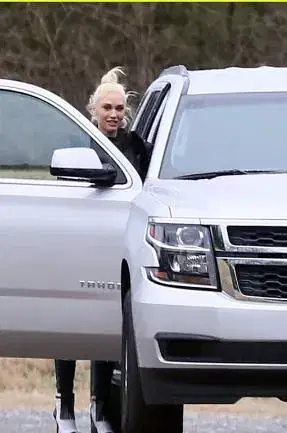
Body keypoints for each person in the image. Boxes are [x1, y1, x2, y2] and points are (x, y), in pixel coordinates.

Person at [53, 66, 150, 433]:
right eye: (107, 107)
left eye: (119, 108)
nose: (113, 114)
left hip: (118, 242)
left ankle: (99, 408)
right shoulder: (78, 143)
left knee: (109, 324)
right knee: (69, 323)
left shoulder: (137, 146)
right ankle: (64, 408)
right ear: (93, 108)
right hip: (78, 239)